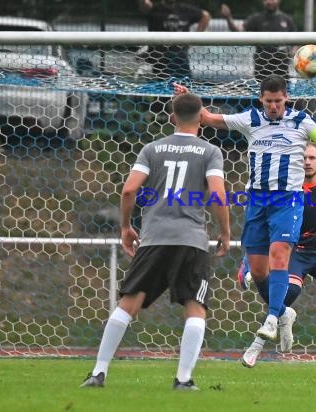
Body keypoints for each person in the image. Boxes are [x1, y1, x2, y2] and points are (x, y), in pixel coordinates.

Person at [174, 74, 316, 349]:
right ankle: (282, 312)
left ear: (286, 98)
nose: (274, 106)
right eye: (269, 101)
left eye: (278, 101)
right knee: (258, 270)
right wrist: (185, 97)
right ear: (261, 99)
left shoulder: (301, 121)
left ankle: (270, 318)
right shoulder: (251, 119)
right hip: (256, 201)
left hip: (287, 200)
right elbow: (207, 118)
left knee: (280, 256)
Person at [80, 93, 230, 391]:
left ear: (172, 118)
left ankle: (98, 373)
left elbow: (128, 190)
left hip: (154, 239)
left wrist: (125, 226)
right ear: (202, 117)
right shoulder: (210, 152)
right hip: (191, 241)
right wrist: (225, 231)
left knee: (128, 304)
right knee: (195, 307)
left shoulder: (152, 149)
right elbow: (217, 194)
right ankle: (184, 380)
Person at [239, 144, 316, 370]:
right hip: (295, 251)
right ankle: (256, 346)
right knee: (288, 293)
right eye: (302, 158)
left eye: (311, 157)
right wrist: (248, 260)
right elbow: (262, 225)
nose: (307, 162)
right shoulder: (285, 189)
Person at [221, 0, 296, 81]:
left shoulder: (287, 19)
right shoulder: (256, 19)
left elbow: (296, 41)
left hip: (282, 68)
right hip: (262, 69)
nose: (269, 2)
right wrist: (228, 18)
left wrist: (293, 53)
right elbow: (238, 31)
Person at [138, 0, 211, 80]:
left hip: (180, 58)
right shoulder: (155, 9)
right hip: (159, 58)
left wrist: (194, 39)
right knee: (161, 86)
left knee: (182, 85)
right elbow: (144, 5)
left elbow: (205, 16)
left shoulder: (184, 9)